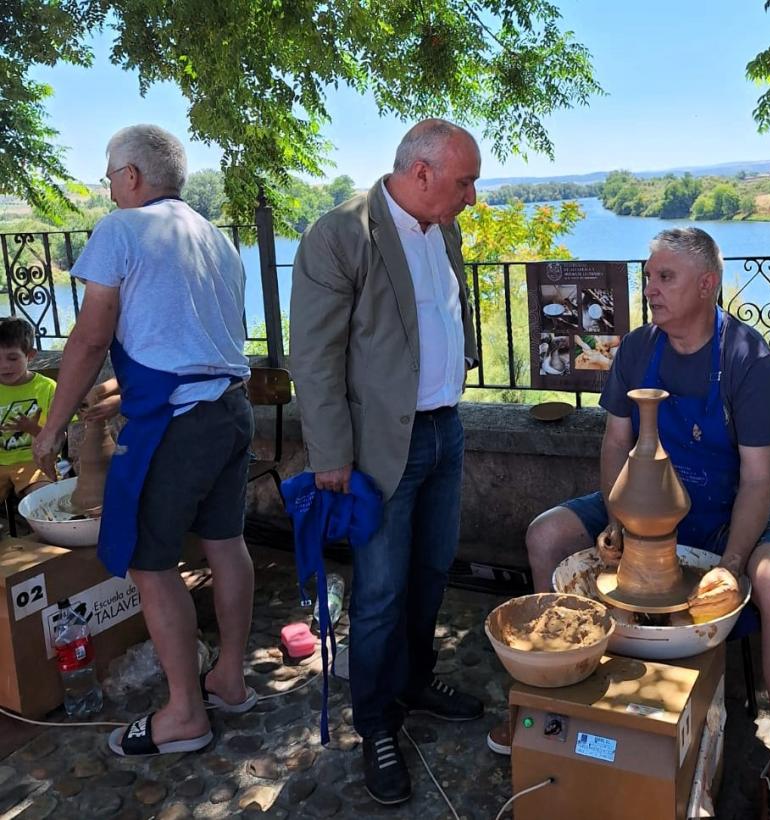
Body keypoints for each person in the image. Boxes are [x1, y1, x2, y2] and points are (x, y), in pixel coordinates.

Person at [511, 228, 770, 820]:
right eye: (648, 277)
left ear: (708, 284)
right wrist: (617, 523)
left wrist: (730, 565)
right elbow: (615, 441)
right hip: (639, 501)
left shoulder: (748, 360)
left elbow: (758, 479)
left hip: (725, 508)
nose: (650, 289)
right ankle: (560, 704)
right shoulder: (636, 349)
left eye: (665, 278)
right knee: (546, 535)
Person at [32, 124, 257, 757]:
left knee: (152, 564)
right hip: (231, 412)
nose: (108, 187)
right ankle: (230, 680)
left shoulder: (121, 229)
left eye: (108, 175)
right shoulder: (213, 239)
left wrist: (54, 426)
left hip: (180, 423)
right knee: (226, 543)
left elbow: (90, 337)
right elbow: (187, 340)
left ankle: (185, 714)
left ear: (132, 176)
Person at [289, 118, 483, 806]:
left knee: (432, 571)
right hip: (377, 448)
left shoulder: (444, 228)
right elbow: (312, 358)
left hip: (444, 431)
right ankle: (374, 723)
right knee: (377, 596)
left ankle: (413, 683)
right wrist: (331, 456)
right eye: (464, 181)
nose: (472, 195)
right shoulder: (341, 234)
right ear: (422, 171)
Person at [0, 317, 57, 503]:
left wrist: (32, 429)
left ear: (30, 355)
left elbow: (59, 438)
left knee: (47, 499)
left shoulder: (48, 388)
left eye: (12, 358)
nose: (3, 366)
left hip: (34, 463)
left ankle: (44, 531)